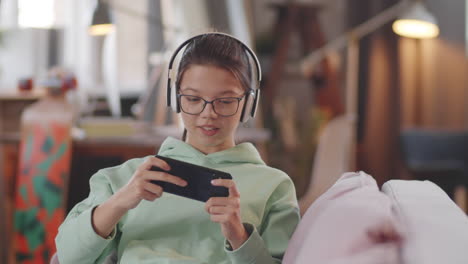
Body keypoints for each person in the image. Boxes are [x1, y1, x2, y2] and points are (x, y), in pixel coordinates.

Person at [55, 32, 300, 264]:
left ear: (248, 103)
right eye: (193, 99)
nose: (208, 114)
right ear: (176, 98)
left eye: (225, 101)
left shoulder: (274, 186)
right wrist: (120, 201)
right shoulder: (123, 178)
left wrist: (238, 235)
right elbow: (67, 257)